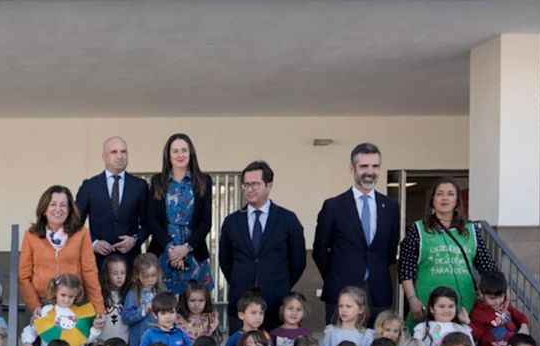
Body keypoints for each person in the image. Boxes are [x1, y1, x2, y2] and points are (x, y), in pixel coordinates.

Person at [397, 176, 499, 325]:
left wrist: (501, 288)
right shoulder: (418, 229)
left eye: (450, 194)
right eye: (440, 194)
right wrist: (412, 299)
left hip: (465, 306)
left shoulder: (471, 230)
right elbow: (405, 270)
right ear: (433, 200)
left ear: (457, 201)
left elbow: (488, 267)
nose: (445, 198)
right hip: (428, 305)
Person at [313, 143, 401, 315]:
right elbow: (320, 251)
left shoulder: (390, 206)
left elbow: (390, 250)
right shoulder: (333, 206)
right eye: (364, 166)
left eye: (375, 166)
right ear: (352, 169)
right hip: (341, 293)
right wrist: (336, 277)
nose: (370, 171)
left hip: (378, 293)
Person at [218, 161, 306, 330]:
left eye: (255, 184)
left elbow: (298, 262)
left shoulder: (287, 219)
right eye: (246, 185)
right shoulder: (232, 221)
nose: (250, 189)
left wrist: (278, 283)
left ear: (269, 185)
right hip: (242, 302)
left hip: (276, 302)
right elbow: (225, 261)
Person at [17, 184, 103, 319]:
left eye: (63, 205)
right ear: (44, 209)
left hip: (74, 302)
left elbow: (90, 272)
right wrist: (35, 305)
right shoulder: (31, 235)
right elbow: (24, 276)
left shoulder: (82, 233)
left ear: (69, 209)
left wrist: (98, 308)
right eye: (53, 204)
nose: (58, 209)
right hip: (42, 304)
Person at [145, 134, 213, 297]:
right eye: (175, 151)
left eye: (184, 150)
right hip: (164, 249)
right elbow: (152, 219)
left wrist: (186, 248)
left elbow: (206, 221)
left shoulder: (203, 181)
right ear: (168, 156)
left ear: (191, 153)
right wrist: (172, 249)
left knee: (195, 301)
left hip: (194, 249)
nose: (180, 155)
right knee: (163, 303)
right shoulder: (157, 181)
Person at [77, 137, 150, 271]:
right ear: (104, 156)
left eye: (123, 152)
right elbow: (75, 223)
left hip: (130, 262)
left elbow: (149, 223)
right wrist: (93, 243)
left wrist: (135, 239)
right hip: (98, 262)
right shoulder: (89, 186)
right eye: (114, 152)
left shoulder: (139, 186)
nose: (120, 156)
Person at [471, 271, 530, 346]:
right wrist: (467, 322)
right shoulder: (478, 314)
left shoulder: (505, 305)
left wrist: (524, 327)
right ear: (481, 293)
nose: (498, 301)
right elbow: (477, 335)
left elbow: (521, 317)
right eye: (492, 298)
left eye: (501, 296)